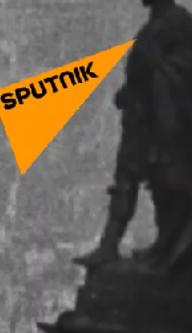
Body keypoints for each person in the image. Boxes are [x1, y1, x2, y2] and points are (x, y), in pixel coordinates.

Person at [80, 0, 192, 271]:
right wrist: (131, 91)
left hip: (162, 121)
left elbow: (184, 67)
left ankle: (164, 247)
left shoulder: (177, 21)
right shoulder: (157, 21)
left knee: (164, 184)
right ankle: (110, 245)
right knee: (127, 179)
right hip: (142, 115)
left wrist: (157, 74)